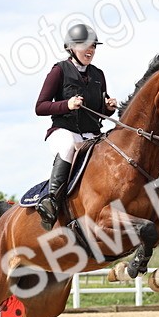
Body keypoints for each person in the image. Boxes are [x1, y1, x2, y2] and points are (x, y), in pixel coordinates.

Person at [34, 23, 117, 230]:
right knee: (68, 145)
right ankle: (51, 202)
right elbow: (40, 106)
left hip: (92, 135)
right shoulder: (59, 71)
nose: (90, 50)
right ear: (71, 47)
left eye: (93, 47)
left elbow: (100, 111)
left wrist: (108, 108)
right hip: (63, 131)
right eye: (85, 46)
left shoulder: (98, 75)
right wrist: (66, 104)